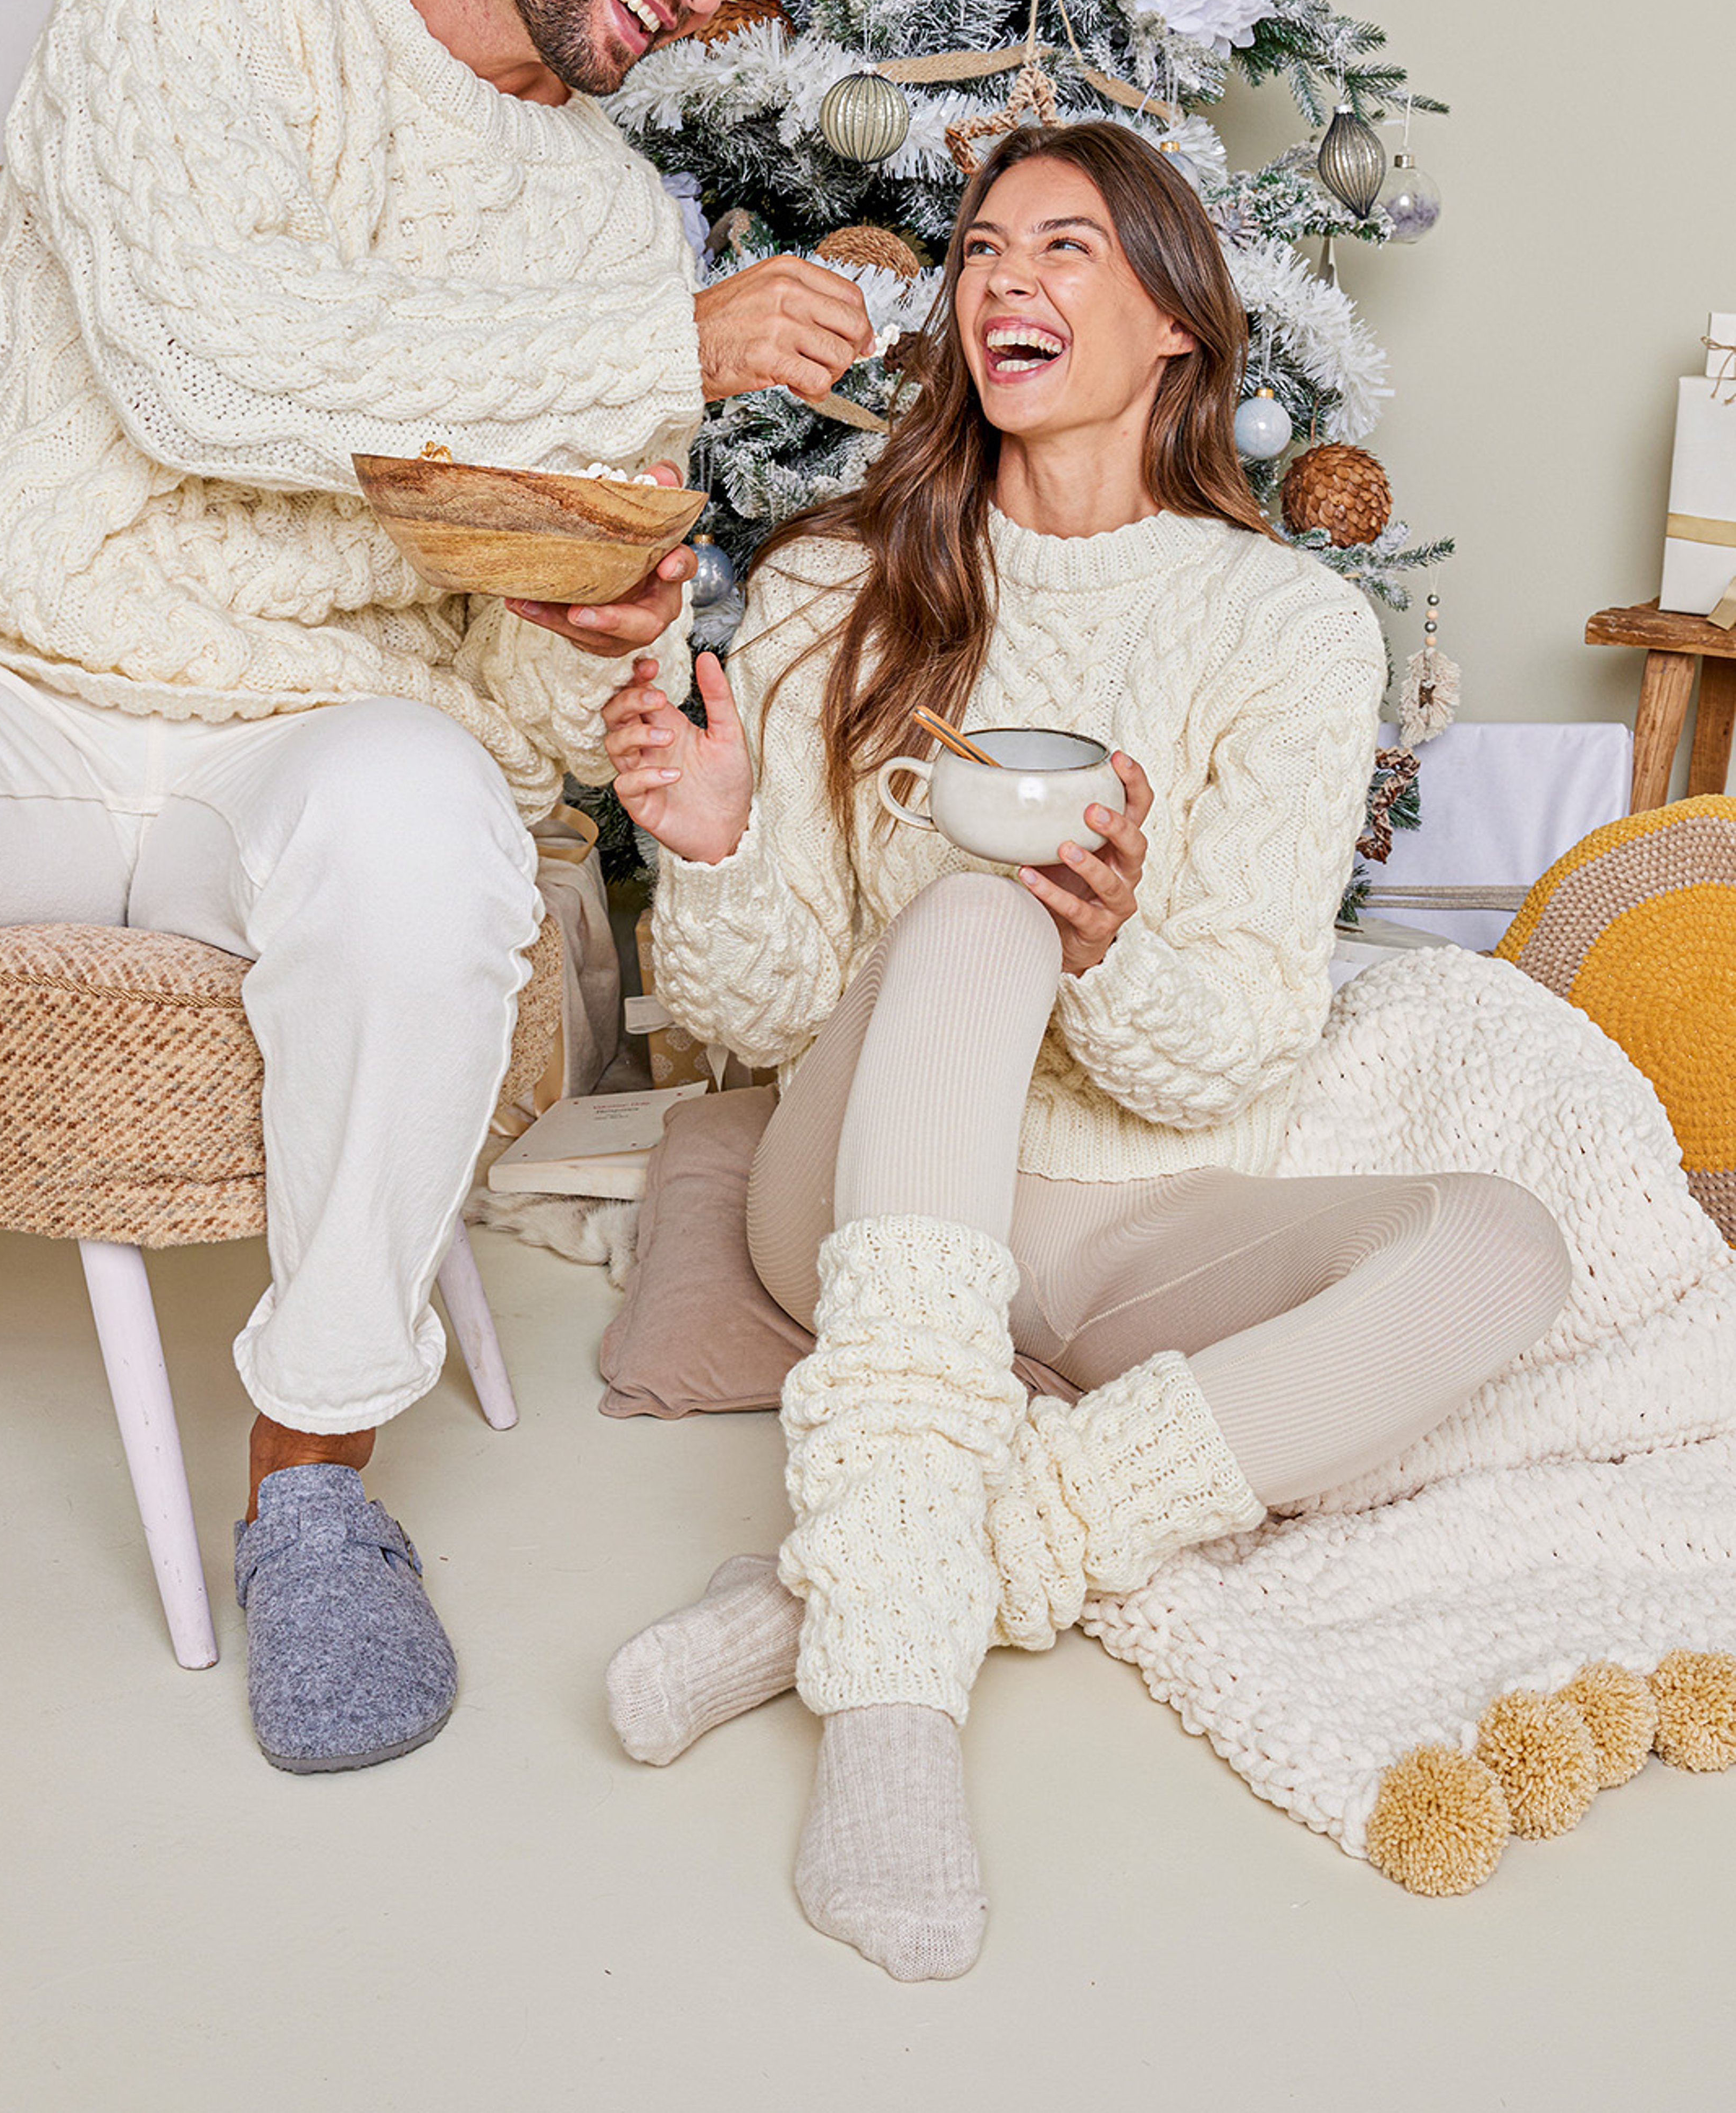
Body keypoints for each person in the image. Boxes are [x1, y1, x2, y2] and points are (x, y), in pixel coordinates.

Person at [0, 0, 886, 1854]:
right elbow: (202, 356)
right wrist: (660, 348)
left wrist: (585, 629)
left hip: (315, 743)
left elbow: (512, 686)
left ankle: (316, 1487)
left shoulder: (610, 217)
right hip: (11, 682)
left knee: (430, 824)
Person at [596, 122, 1572, 1979]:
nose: (1002, 283)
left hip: (1126, 1226)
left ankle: (871, 1579)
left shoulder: (1284, 623)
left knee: (1500, 1247)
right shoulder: (828, 583)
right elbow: (765, 1019)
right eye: (978, 250)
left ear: (1176, 322)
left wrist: (1106, 951)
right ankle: (890, 1694)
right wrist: (713, 844)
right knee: (980, 914)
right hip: (858, 1194)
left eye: (1063, 249)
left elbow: (1240, 1042)